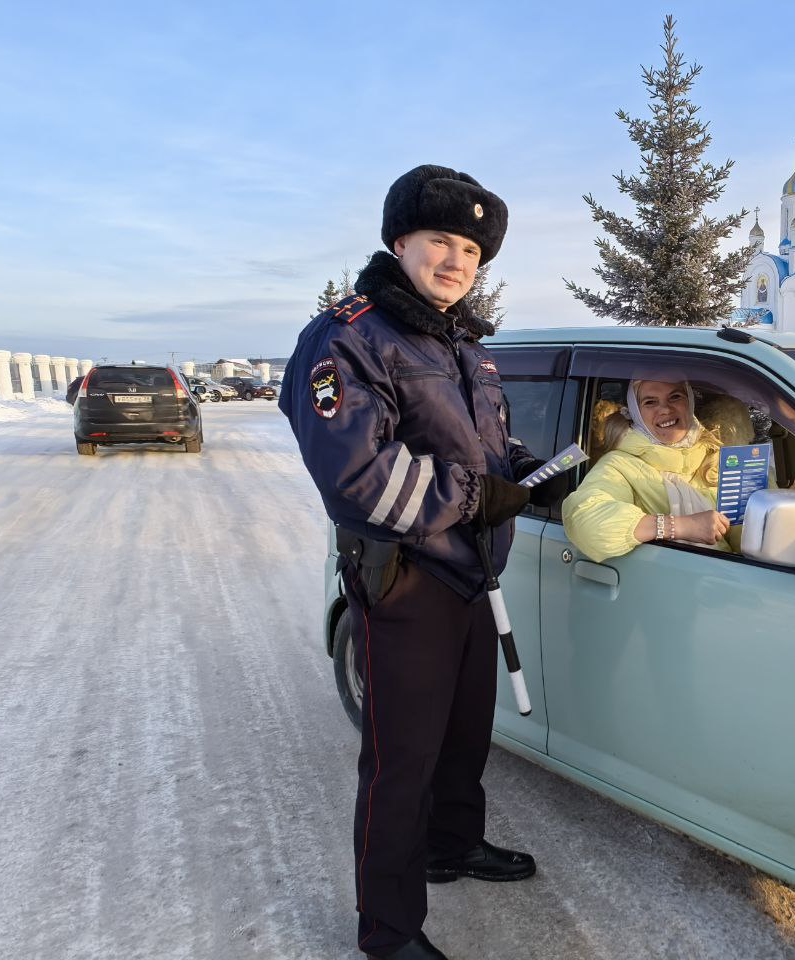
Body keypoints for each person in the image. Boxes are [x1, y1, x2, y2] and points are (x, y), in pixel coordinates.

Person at [280, 164, 564, 960]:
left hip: (472, 575)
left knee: (463, 737)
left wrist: (535, 473)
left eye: (472, 250)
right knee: (400, 764)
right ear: (399, 239)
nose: (456, 262)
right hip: (404, 582)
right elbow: (358, 477)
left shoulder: (461, 344)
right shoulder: (348, 336)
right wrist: (479, 495)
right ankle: (389, 930)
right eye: (441, 240)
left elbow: (484, 449)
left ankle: (452, 846)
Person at [563, 379, 795, 563]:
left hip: (732, 591)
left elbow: (749, 537)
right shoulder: (619, 465)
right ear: (635, 412)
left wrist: (792, 498)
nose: (665, 409)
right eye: (650, 402)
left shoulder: (724, 457)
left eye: (675, 397)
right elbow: (584, 522)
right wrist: (680, 526)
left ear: (688, 402)